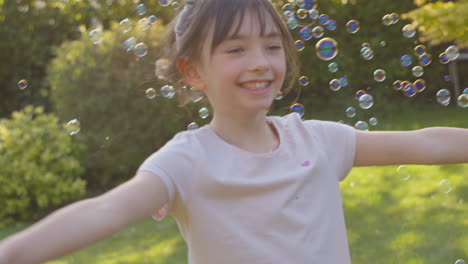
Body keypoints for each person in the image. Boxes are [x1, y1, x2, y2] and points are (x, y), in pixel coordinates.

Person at [0, 0, 467, 263]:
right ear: (193, 72)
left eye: (271, 46)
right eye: (236, 50)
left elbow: (423, 142)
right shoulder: (186, 162)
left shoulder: (319, 141)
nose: (261, 62)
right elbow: (103, 210)